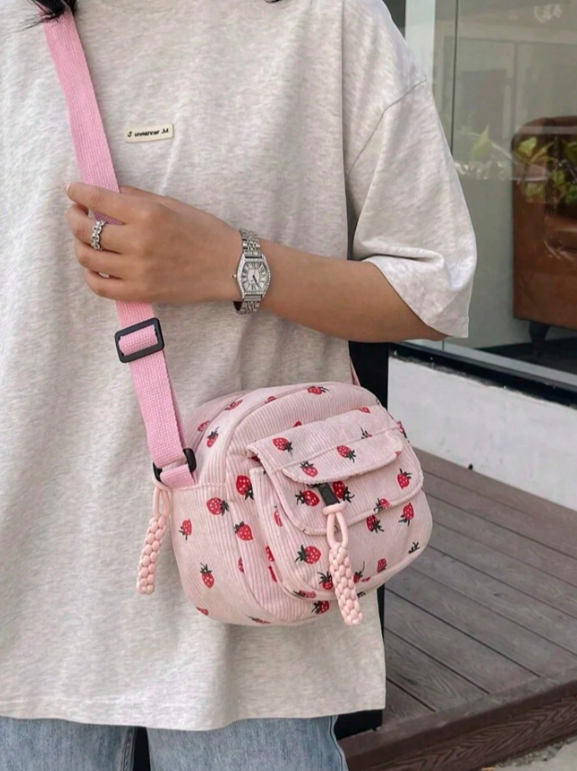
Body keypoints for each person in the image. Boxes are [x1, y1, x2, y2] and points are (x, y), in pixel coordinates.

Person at [0, 0, 477, 768]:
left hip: (262, 592)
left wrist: (237, 264)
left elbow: (433, 291)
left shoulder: (329, 22)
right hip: (28, 593)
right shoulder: (12, 31)